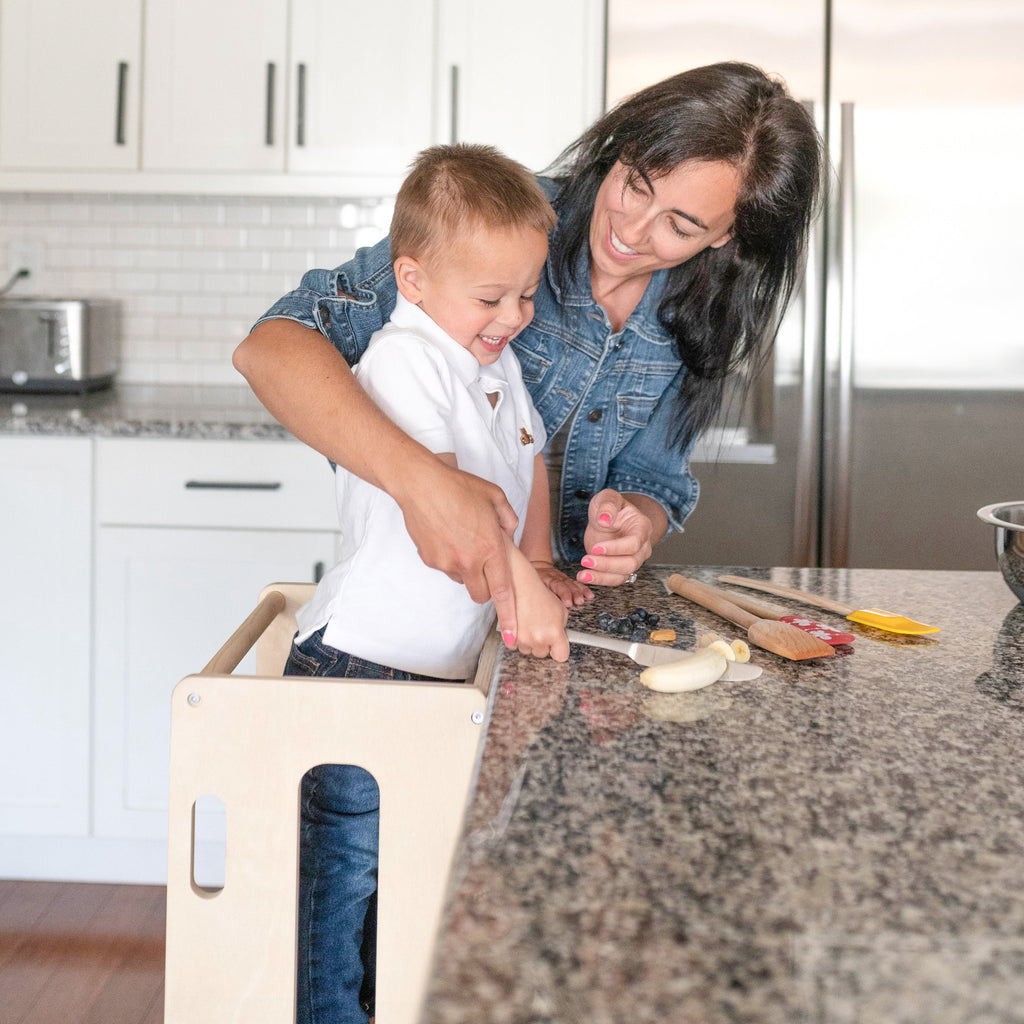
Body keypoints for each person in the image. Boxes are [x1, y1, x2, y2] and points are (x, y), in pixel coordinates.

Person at [234, 59, 824, 647]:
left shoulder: (704, 307)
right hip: (426, 608)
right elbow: (271, 348)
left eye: (681, 226)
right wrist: (425, 486)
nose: (631, 230)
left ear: (725, 234)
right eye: (637, 185)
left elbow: (651, 478)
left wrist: (634, 523)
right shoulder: (504, 223)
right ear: (621, 149)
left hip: (554, 605)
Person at [283, 143, 592, 1024]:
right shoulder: (403, 361)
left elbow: (532, 460)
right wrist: (518, 590)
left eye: (526, 295)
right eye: (491, 298)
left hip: (429, 672)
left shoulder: (496, 366)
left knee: (410, 873)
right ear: (412, 280)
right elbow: (453, 508)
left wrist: (540, 562)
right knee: (344, 880)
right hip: (360, 665)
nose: (515, 317)